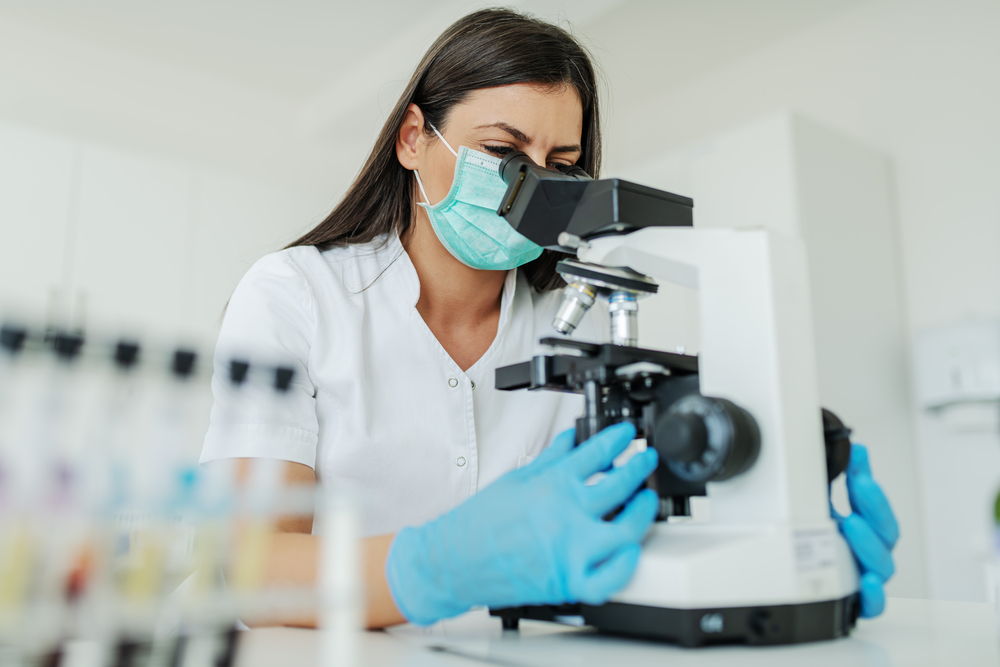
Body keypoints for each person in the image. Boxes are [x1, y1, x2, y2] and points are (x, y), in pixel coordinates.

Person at [200, 8, 898, 628]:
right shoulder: (295, 296)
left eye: (559, 164)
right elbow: (253, 567)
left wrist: (784, 545)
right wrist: (438, 567)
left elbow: (612, 532)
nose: (530, 183)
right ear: (413, 139)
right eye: (503, 152)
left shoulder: (582, 322)